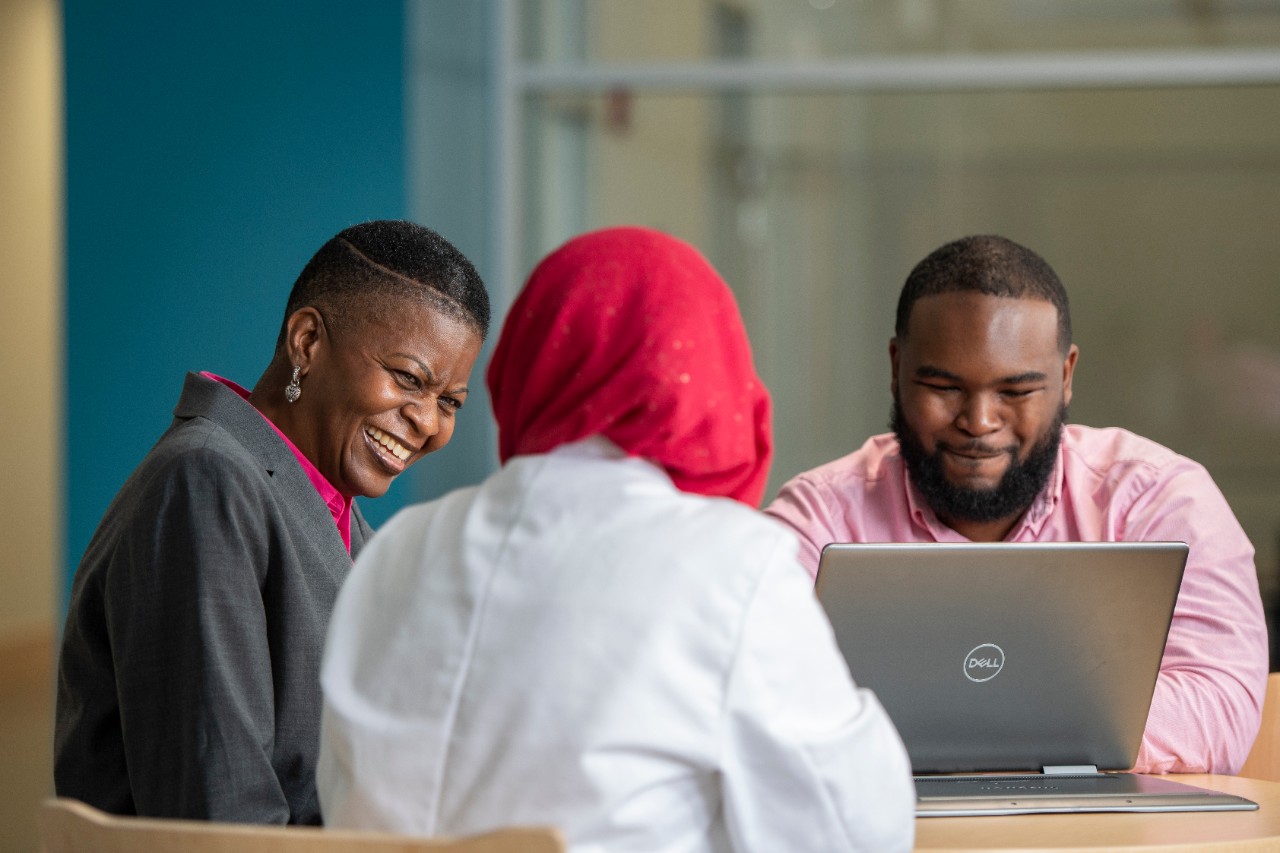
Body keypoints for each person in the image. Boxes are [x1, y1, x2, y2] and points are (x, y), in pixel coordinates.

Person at [317, 226, 915, 851]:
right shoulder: (731, 565)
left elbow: (342, 800)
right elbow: (857, 833)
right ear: (713, 381)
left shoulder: (396, 548)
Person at [765, 234, 1268, 775]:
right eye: (943, 386)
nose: (979, 422)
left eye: (1017, 392)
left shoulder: (1159, 499)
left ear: (1067, 376)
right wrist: (1066, 727)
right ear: (895, 367)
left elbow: (1218, 708)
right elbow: (759, 698)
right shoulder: (817, 517)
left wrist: (929, 733)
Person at [55, 220, 490, 825]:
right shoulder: (206, 482)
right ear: (308, 342)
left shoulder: (337, 516)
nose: (428, 422)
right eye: (410, 379)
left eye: (450, 402)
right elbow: (218, 812)